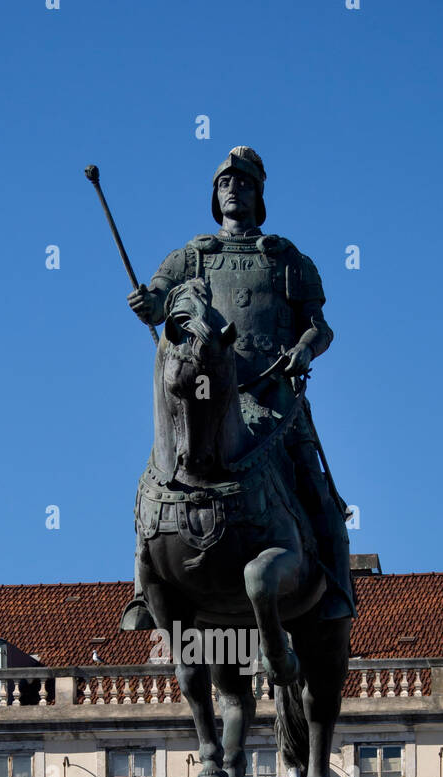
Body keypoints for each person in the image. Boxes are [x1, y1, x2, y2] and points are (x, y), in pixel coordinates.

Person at [121, 146, 355, 630]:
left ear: (258, 194)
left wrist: (306, 349)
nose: (234, 190)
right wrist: (148, 303)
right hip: (205, 397)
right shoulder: (193, 256)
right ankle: (146, 588)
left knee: (318, 489)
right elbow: (161, 298)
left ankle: (336, 586)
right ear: (215, 195)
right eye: (226, 183)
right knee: (158, 475)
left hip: (274, 402)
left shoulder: (286, 258)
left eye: (244, 183)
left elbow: (320, 326)